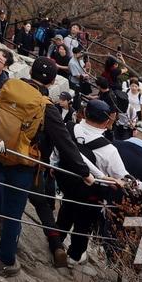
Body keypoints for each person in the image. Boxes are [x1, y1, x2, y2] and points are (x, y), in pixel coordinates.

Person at [0, 56, 62, 277]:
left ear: (30, 70)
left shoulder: (10, 85)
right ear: (53, 82)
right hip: (21, 163)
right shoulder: (47, 107)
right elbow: (65, 144)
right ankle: (5, 260)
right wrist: (85, 173)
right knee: (14, 213)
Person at [50, 98, 130, 268]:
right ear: (106, 121)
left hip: (66, 185)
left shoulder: (68, 128)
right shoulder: (109, 150)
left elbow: (57, 152)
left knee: (65, 213)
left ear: (85, 113)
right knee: (83, 227)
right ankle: (73, 257)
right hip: (91, 195)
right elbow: (121, 176)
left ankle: (55, 244)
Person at [29, 85, 92, 263]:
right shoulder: (51, 111)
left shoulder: (44, 109)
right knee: (43, 205)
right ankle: (56, 243)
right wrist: (85, 173)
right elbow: (61, 142)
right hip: (37, 164)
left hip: (20, 158)